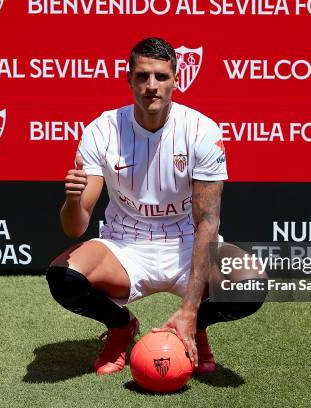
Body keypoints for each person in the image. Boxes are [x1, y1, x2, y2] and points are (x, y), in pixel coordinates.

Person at [46, 38, 265, 376]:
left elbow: (207, 223)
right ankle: (121, 326)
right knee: (64, 277)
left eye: (161, 76)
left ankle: (195, 327)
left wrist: (192, 309)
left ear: (176, 79)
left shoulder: (202, 131)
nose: (152, 86)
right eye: (142, 76)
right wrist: (73, 199)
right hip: (125, 245)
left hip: (186, 245)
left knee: (248, 281)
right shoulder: (102, 130)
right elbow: (74, 227)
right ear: (129, 79)